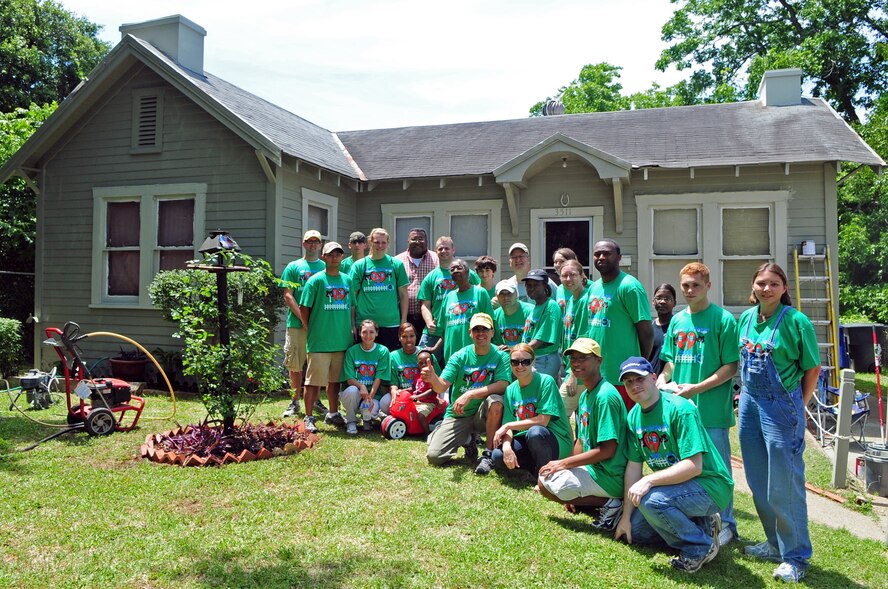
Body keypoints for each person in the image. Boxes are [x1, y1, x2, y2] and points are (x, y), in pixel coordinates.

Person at [736, 263, 820, 583]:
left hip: (782, 408)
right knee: (759, 482)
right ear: (753, 287)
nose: (766, 289)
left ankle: (795, 557)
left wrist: (798, 404)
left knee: (784, 485)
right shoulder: (745, 319)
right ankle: (773, 544)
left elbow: (812, 369)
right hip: (750, 404)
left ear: (784, 288)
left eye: (774, 284)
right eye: (761, 283)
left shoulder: (797, 322)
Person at [614, 357, 733, 574]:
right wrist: (625, 519)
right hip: (681, 487)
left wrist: (649, 479)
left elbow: (694, 466)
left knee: (652, 501)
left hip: (710, 485)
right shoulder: (633, 417)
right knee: (638, 532)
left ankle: (700, 546)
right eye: (628, 381)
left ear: (652, 378)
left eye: (639, 378)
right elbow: (633, 467)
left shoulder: (680, 409)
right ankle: (702, 525)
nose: (634, 385)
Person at [656, 264, 739, 545]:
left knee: (718, 470)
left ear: (708, 286)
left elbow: (730, 366)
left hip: (712, 410)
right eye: (685, 286)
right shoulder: (678, 321)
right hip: (681, 411)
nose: (690, 291)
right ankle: (700, 519)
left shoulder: (724, 320)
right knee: (685, 466)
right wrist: (662, 379)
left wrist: (697, 389)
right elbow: (670, 361)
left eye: (696, 285)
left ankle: (727, 524)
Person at [538, 338, 627, 530]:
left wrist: (563, 463)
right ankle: (595, 500)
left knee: (545, 484)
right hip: (596, 470)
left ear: (599, 361)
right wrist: (566, 469)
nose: (576, 363)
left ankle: (613, 504)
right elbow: (581, 439)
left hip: (611, 474)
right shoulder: (586, 393)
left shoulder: (605, 396)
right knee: (547, 477)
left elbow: (608, 450)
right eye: (573, 359)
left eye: (583, 358)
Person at [425, 313, 510, 475]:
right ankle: (468, 439)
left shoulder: (501, 356)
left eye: (485, 329)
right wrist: (432, 378)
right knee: (434, 456)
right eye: (476, 329)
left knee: (496, 401)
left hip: (484, 413)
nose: (480, 333)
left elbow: (502, 385)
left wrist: (470, 394)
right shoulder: (459, 356)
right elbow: (441, 387)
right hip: (460, 414)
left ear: (492, 332)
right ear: (470, 333)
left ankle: (488, 454)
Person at [585, 239, 653, 410]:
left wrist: (638, 365)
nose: (601, 257)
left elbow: (646, 332)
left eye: (607, 253)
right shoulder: (594, 288)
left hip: (624, 378)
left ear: (619, 257)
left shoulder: (629, 287)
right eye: (597, 254)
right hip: (598, 375)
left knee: (625, 430)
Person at [491, 344, 573, 480]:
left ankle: (541, 477)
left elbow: (543, 421)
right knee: (497, 456)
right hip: (527, 440)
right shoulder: (510, 389)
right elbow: (508, 426)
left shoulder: (546, 381)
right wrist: (506, 447)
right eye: (515, 362)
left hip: (554, 440)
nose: (520, 366)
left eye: (525, 362)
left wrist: (508, 426)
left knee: (535, 432)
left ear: (533, 362)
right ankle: (532, 468)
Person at [298, 241, 353, 433]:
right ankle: (309, 416)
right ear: (324, 257)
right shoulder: (316, 280)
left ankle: (333, 413)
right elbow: (304, 308)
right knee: (313, 382)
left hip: (341, 340)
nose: (335, 257)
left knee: (334, 382)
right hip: (320, 341)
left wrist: (352, 328)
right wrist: (308, 326)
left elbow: (351, 307)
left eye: (338, 254)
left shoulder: (347, 280)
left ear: (342, 257)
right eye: (330, 254)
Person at [281, 229, 326, 418]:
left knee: (316, 364)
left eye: (316, 241)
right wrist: (303, 317)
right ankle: (294, 402)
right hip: (297, 324)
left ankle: (316, 401)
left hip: (319, 325)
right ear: (304, 244)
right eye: (310, 241)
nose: (313, 244)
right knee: (295, 364)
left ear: (321, 245)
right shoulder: (293, 267)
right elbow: (288, 295)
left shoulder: (326, 266)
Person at [417, 236, 480, 355]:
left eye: (447, 248)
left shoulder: (468, 274)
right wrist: (429, 321)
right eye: (440, 249)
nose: (443, 251)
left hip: (460, 328)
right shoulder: (431, 277)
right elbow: (425, 305)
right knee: (423, 359)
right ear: (436, 252)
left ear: (453, 250)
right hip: (435, 330)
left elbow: (481, 292)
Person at [350, 228, 409, 351]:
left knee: (389, 362)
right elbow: (352, 298)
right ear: (370, 242)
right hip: (365, 325)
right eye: (376, 242)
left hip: (391, 324)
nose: (380, 246)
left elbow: (403, 295)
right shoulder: (360, 265)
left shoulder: (396, 264)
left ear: (388, 243)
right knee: (366, 364)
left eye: (383, 242)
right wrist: (352, 324)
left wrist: (403, 321)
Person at [427, 259, 493, 361]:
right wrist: (435, 348)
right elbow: (445, 330)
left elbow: (491, 325)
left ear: (467, 272)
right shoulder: (448, 297)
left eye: (459, 268)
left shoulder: (480, 293)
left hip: (475, 355)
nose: (455, 271)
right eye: (452, 269)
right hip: (451, 357)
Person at [340, 319, 392, 434]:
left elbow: (379, 378)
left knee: (370, 409)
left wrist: (369, 399)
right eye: (364, 332)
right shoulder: (351, 351)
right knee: (353, 390)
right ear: (359, 333)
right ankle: (351, 421)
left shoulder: (383, 351)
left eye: (371, 332)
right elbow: (349, 378)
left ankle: (367, 419)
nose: (368, 336)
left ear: (377, 333)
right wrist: (361, 386)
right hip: (354, 394)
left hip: (373, 394)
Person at [558, 260, 592, 416]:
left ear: (582, 276)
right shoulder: (571, 300)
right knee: (581, 419)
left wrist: (573, 374)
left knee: (557, 414)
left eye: (572, 275)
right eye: (564, 276)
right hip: (571, 367)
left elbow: (584, 339)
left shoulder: (586, 300)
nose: (568, 279)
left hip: (580, 370)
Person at [388, 322, 442, 420]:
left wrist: (437, 395)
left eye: (411, 336)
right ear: (399, 337)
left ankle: (433, 419)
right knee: (384, 402)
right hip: (406, 395)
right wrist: (394, 391)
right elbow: (393, 382)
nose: (408, 340)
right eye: (404, 336)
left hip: (429, 394)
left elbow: (441, 379)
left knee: (445, 399)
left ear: (416, 337)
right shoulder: (393, 356)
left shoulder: (425, 355)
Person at [395, 228, 439, 337]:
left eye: (421, 239)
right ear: (408, 241)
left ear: (427, 241)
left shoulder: (436, 259)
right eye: (414, 239)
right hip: (404, 317)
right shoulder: (397, 261)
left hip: (430, 318)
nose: (417, 242)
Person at [522, 269, 564, 381]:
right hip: (533, 358)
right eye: (528, 285)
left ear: (545, 286)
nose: (531, 288)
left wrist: (519, 351)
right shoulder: (535, 307)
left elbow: (542, 338)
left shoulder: (551, 306)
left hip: (544, 359)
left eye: (536, 285)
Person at [492, 280, 533, 350]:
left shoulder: (531, 311)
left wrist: (514, 350)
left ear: (517, 294)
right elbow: (497, 343)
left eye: (509, 293)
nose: (506, 297)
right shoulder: (495, 316)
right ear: (496, 297)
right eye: (502, 294)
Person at [649, 283, 676, 375]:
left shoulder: (678, 327)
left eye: (667, 299)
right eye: (659, 298)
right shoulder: (649, 328)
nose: (662, 301)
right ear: (653, 302)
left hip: (673, 382)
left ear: (674, 303)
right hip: (652, 381)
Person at [552, 247, 579, 314]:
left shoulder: (588, 285)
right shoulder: (559, 288)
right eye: (555, 262)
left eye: (561, 261)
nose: (558, 265)